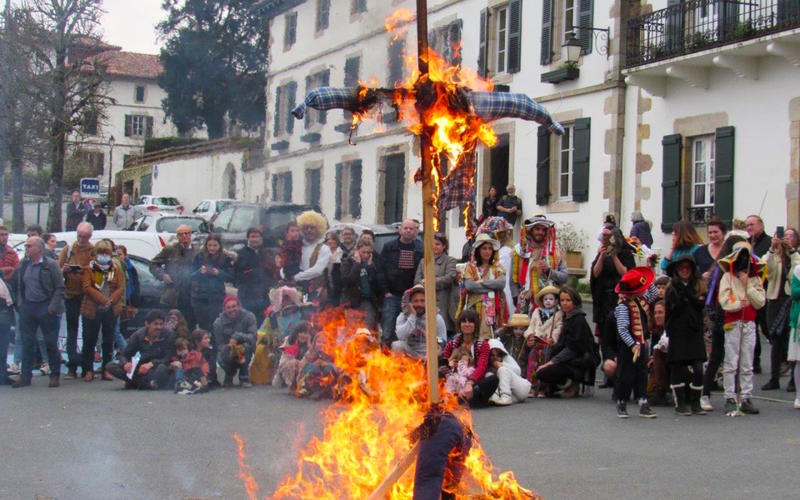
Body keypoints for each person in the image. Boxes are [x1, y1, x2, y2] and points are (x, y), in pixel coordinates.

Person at [8, 237, 64, 388]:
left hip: (45, 307)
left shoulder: (50, 265)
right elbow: (17, 285)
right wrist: (21, 304)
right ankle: (25, 376)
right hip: (28, 307)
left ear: (39, 248)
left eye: (29, 246)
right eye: (26, 246)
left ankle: (55, 375)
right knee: (27, 342)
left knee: (50, 342)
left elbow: (59, 287)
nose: (26, 248)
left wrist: (52, 307)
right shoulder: (24, 265)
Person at [718, 241, 766, 416]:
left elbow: (760, 302)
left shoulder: (755, 279)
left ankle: (746, 396)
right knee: (731, 361)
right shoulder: (727, 278)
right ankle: (729, 396)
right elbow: (724, 301)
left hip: (749, 324)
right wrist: (738, 304)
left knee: (747, 362)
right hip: (733, 324)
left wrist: (748, 286)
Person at [700, 233, 746, 411]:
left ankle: (734, 393)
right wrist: (715, 318)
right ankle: (705, 394)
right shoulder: (720, 270)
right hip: (721, 318)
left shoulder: (743, 269)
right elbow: (711, 296)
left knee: (736, 357)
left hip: (737, 317)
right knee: (717, 357)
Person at [590, 224, 635, 390]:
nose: (606, 239)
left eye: (609, 236)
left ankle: (622, 372)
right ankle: (609, 375)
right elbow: (595, 274)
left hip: (620, 297)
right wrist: (602, 256)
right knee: (604, 338)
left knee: (622, 334)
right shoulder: (600, 253)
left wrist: (614, 256)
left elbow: (627, 274)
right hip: (604, 299)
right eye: (604, 236)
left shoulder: (625, 253)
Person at [613, 267, 660, 418]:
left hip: (641, 344)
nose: (644, 290)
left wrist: (649, 277)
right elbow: (622, 329)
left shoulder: (641, 300)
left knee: (642, 373)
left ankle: (643, 401)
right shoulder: (622, 307)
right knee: (625, 374)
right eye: (641, 288)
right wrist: (632, 345)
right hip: (628, 346)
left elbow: (654, 293)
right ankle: (621, 402)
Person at [536, 286, 597, 397]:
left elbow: (573, 348)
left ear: (575, 301)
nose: (564, 303)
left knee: (543, 372)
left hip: (576, 361)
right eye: (562, 300)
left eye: (568, 300)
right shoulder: (565, 317)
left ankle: (572, 382)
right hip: (566, 357)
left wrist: (552, 362)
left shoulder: (577, 320)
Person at [761, 230, 800, 390]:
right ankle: (774, 378)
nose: (786, 238)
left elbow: (796, 273)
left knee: (790, 339)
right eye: (784, 235)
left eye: (789, 236)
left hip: (790, 299)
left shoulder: (796, 256)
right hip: (775, 300)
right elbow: (765, 270)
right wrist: (772, 248)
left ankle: (793, 379)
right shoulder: (772, 256)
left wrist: (791, 252)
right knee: (775, 339)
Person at [80, 240, 124, 382]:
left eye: (107, 253)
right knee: (89, 340)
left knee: (108, 340)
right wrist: (103, 300)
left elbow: (120, 288)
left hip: (110, 309)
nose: (104, 256)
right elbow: (87, 288)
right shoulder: (89, 269)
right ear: (96, 254)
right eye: (101, 253)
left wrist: (110, 301)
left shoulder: (116, 269)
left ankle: (107, 369)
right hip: (92, 308)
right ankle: (88, 370)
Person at [377, 219, 423, 344]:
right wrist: (385, 291)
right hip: (392, 295)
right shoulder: (389, 247)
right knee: (388, 330)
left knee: (411, 330)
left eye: (411, 229)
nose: (408, 231)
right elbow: (380, 270)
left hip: (412, 296)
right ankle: (385, 359)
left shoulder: (421, 249)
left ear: (416, 231)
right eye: (405, 228)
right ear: (400, 230)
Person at [105, 310, 176, 390]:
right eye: (156, 324)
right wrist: (125, 364)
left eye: (161, 324)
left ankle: (135, 383)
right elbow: (124, 354)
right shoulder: (138, 336)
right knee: (110, 366)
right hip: (139, 368)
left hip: (156, 367)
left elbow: (168, 357)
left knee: (162, 368)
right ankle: (144, 384)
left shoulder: (168, 335)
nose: (159, 327)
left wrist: (151, 364)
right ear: (147, 324)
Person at [59, 222, 94, 378]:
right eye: (79, 236)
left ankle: (87, 367)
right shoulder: (68, 250)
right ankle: (72, 366)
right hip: (71, 295)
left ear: (90, 237)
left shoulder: (93, 251)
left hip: (87, 297)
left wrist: (84, 269)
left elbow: (99, 273)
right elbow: (57, 271)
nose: (81, 239)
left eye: (85, 237)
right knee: (72, 331)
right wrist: (64, 269)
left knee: (88, 332)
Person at [440, 309, 496, 408]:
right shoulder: (452, 344)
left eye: (470, 321)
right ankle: (457, 398)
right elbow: (445, 361)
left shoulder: (482, 344)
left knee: (493, 379)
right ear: (459, 325)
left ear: (475, 325)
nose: (467, 324)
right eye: (464, 321)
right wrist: (445, 367)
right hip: (454, 379)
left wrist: (470, 383)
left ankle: (468, 399)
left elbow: (481, 367)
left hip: (474, 380)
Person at [512, 215, 568, 314]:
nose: (540, 232)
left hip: (549, 303)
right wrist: (516, 298)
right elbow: (513, 281)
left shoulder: (555, 252)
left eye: (543, 230)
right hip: (525, 303)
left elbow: (564, 277)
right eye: (537, 229)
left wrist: (548, 271)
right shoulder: (520, 251)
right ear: (530, 231)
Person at [458, 233, 507, 339]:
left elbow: (501, 284)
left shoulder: (497, 266)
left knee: (491, 335)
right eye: (484, 248)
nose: (487, 251)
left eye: (490, 248)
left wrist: (481, 282)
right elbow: (470, 286)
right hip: (474, 307)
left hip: (493, 308)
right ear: (478, 250)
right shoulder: (470, 267)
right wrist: (492, 287)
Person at [150, 224, 197, 328]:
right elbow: (153, 264)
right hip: (174, 295)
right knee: (172, 325)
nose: (184, 236)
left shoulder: (197, 250)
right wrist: (162, 275)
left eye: (186, 233)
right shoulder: (170, 250)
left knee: (190, 325)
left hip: (192, 295)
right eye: (181, 234)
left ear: (191, 235)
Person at [414, 232, 458, 335]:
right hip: (427, 301)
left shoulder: (450, 260)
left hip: (444, 302)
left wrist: (429, 282)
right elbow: (417, 281)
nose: (434, 247)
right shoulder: (423, 261)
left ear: (444, 246)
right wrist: (424, 285)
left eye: (437, 244)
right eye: (432, 244)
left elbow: (450, 277)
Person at [523, 285, 563, 397]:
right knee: (532, 363)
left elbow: (558, 328)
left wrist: (553, 338)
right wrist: (529, 334)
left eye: (551, 299)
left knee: (544, 364)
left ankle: (542, 389)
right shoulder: (537, 312)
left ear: (556, 301)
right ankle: (531, 387)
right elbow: (531, 326)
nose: (548, 301)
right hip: (537, 343)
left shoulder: (558, 314)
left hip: (547, 344)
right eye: (545, 299)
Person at [191, 234, 233, 332]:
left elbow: (231, 277)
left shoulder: (225, 258)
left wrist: (219, 273)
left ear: (219, 246)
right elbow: (191, 275)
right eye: (210, 245)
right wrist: (200, 272)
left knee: (217, 325)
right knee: (203, 326)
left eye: (215, 245)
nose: (212, 248)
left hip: (217, 297)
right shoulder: (199, 257)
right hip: (201, 297)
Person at [212, 295, 257, 388]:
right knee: (222, 355)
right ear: (224, 309)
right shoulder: (218, 323)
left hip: (245, 348)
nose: (232, 309)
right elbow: (219, 344)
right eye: (228, 307)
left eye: (234, 306)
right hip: (227, 349)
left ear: (239, 306)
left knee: (246, 347)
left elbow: (253, 337)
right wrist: (229, 348)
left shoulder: (249, 317)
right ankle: (229, 375)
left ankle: (244, 377)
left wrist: (237, 337)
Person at [392, 285, 447, 358]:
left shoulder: (436, 318)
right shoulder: (402, 317)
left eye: (422, 301)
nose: (419, 304)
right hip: (411, 354)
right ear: (410, 303)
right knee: (397, 345)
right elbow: (401, 336)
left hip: (429, 356)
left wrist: (434, 354)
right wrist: (412, 316)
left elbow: (443, 341)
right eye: (416, 301)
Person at [234, 227, 274, 326]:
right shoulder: (242, 254)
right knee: (247, 322)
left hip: (262, 295)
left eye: (257, 236)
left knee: (265, 323)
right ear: (248, 238)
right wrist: (248, 275)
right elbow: (235, 274)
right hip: (247, 295)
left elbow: (271, 272)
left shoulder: (266, 253)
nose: (255, 239)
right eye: (252, 236)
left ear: (261, 238)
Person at [477, 217, 515, 318]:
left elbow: (501, 279)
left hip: (499, 294)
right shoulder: (505, 250)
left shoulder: (505, 252)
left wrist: (482, 283)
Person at [340, 239, 381, 329]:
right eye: (363, 252)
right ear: (357, 251)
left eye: (369, 252)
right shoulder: (348, 262)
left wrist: (370, 267)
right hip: (352, 301)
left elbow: (376, 283)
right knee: (352, 330)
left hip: (367, 301)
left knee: (367, 330)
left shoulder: (373, 264)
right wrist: (357, 264)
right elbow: (348, 281)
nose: (366, 255)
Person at [293, 211, 331, 304]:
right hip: (298, 290)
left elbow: (318, 270)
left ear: (318, 229)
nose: (309, 230)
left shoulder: (324, 248)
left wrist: (296, 277)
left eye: (312, 228)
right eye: (306, 228)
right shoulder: (296, 247)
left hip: (317, 291)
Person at [486, 338, 532, 406]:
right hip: (512, 395)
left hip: (520, 389)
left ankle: (506, 396)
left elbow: (518, 371)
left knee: (502, 370)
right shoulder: (487, 364)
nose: (495, 357)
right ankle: (495, 396)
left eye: (497, 354)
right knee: (488, 375)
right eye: (492, 355)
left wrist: (502, 365)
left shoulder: (506, 357)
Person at [273, 321, 313, 389]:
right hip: (288, 366)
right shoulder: (289, 341)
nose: (303, 335)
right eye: (301, 332)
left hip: (304, 366)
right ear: (297, 333)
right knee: (294, 363)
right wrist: (299, 363)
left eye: (306, 333)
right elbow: (286, 359)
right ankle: (291, 385)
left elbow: (311, 358)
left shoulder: (312, 343)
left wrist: (309, 344)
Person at [646, 299, 670, 406]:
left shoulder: (672, 328)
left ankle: (657, 390)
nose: (657, 316)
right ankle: (652, 390)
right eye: (655, 313)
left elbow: (665, 345)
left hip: (684, 370)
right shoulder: (658, 330)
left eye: (660, 313)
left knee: (657, 353)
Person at [787, 262, 800, 409]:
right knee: (799, 360)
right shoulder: (798, 269)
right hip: (799, 321)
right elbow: (795, 293)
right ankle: (799, 396)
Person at [0, 272, 14, 386]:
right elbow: (11, 301)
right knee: (2, 349)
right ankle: (2, 376)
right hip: (3, 317)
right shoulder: (3, 285)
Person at [324, 230, 343, 307]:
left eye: (333, 239)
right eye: (328, 239)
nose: (330, 241)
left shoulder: (342, 253)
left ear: (337, 240)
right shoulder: (322, 254)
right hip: (326, 286)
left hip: (339, 288)